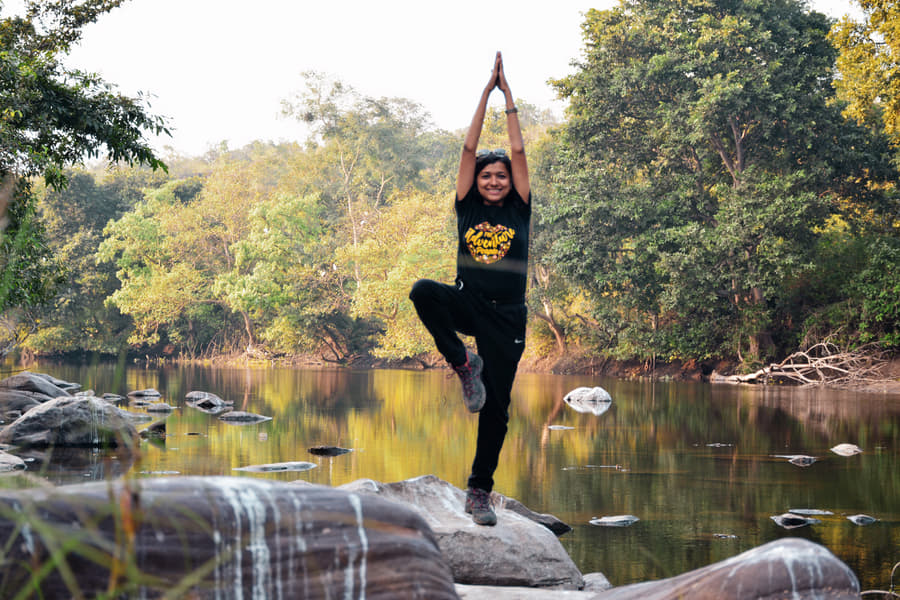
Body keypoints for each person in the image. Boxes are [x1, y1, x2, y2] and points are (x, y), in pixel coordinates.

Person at [409, 51, 530, 526]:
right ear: (475, 182)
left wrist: (509, 98)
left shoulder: (520, 208)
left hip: (507, 316)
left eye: (501, 176)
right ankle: (464, 363)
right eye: (487, 175)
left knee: (496, 408)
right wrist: (484, 94)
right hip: (469, 302)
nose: (495, 180)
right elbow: (466, 149)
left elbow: (518, 152)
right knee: (423, 291)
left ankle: (479, 490)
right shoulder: (466, 207)